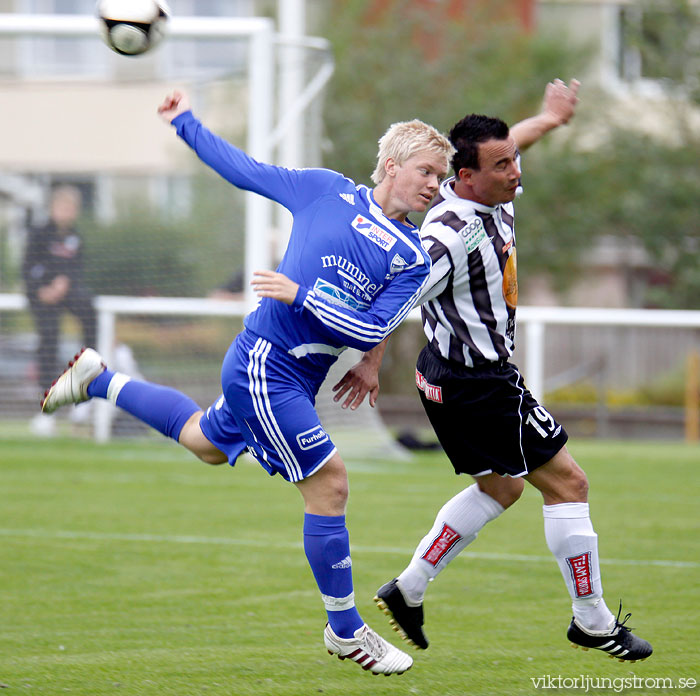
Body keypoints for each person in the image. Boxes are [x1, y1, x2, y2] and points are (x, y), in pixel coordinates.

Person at [40, 89, 455, 675]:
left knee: (203, 443)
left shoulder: (413, 254)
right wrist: (185, 123)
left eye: (441, 176)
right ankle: (345, 630)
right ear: (392, 166)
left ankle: (99, 379)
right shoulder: (323, 188)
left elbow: (371, 323)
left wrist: (341, 330)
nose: (435, 185)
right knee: (330, 483)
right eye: (427, 171)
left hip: (296, 376)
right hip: (266, 360)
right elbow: (246, 171)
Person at [336, 79, 653, 663]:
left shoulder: (493, 188)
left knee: (501, 486)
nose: (515, 170)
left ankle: (408, 589)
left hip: (447, 378)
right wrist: (370, 362)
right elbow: (399, 293)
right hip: (477, 383)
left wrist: (550, 119)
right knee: (570, 484)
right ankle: (593, 621)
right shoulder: (450, 232)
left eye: (514, 158)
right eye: (503, 164)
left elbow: (511, 144)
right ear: (464, 179)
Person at [22, 185, 97, 436]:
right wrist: (43, 289)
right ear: (53, 208)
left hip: (68, 295)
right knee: (49, 338)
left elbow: (77, 270)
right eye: (62, 206)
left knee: (90, 315)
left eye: (71, 208)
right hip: (42, 298)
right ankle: (45, 408)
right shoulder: (38, 234)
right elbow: (28, 268)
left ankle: (85, 389)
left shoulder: (76, 237)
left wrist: (65, 283)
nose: (66, 212)